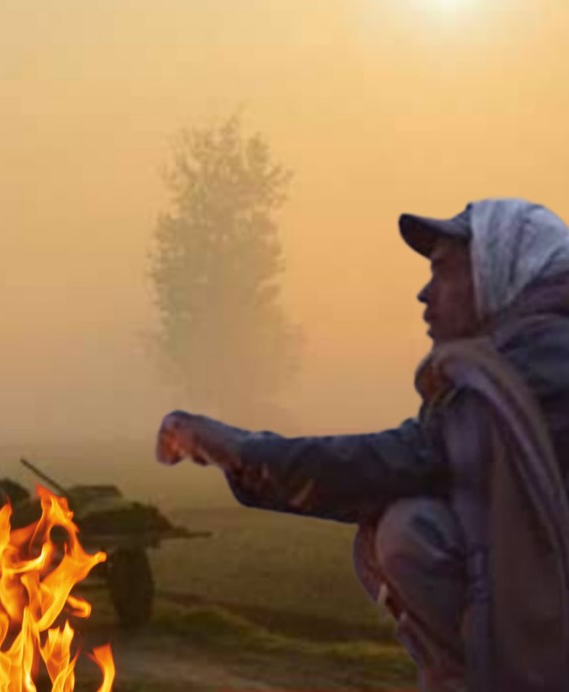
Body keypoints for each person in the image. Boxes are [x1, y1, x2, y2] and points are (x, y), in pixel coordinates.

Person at [156, 198, 569, 691]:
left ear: (499, 272)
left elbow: (390, 462)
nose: (424, 293)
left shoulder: (537, 369)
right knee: (405, 524)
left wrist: (237, 449)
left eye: (443, 272)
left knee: (409, 530)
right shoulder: (516, 363)